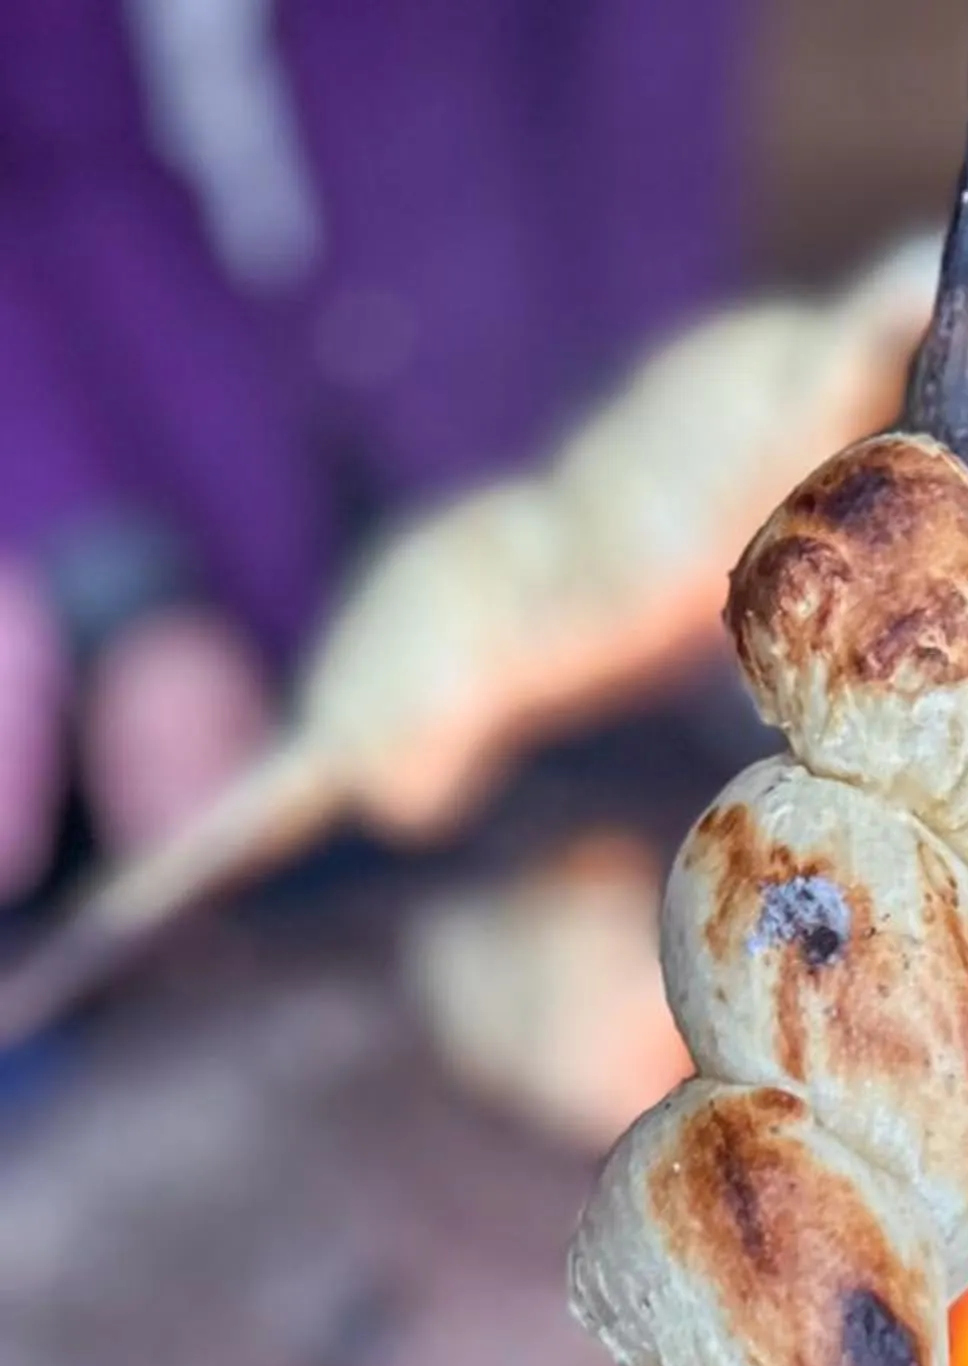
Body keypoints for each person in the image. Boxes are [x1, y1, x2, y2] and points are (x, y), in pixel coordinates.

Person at [0, 0, 754, 901]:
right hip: (190, 496)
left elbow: (648, 64)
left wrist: (641, 433)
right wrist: (117, 586)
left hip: (519, 438)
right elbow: (34, 149)